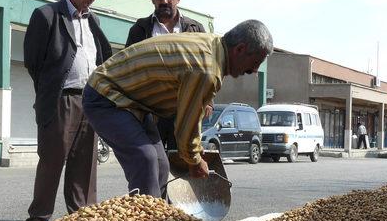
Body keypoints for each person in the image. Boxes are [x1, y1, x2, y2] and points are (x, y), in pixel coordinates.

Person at [83, 19, 273, 197]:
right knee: (145, 159)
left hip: (134, 102)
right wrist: (194, 160)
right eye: (255, 63)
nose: (254, 71)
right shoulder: (206, 69)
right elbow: (186, 126)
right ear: (239, 49)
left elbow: (192, 113)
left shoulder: (214, 44)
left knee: (160, 164)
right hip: (106, 95)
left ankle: (159, 220)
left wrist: (193, 155)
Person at [24, 0, 112, 221]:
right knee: (52, 159)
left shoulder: (93, 20)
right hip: (61, 100)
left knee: (86, 163)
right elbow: (33, 62)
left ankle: (82, 217)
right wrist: (51, 90)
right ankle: (39, 219)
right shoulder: (47, 15)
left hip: (90, 101)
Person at [125, 0, 206, 151]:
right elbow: (128, 69)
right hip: (151, 111)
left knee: (184, 159)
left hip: (185, 109)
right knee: (151, 162)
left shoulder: (195, 29)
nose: (165, 1)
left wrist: (209, 101)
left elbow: (207, 67)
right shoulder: (140, 29)